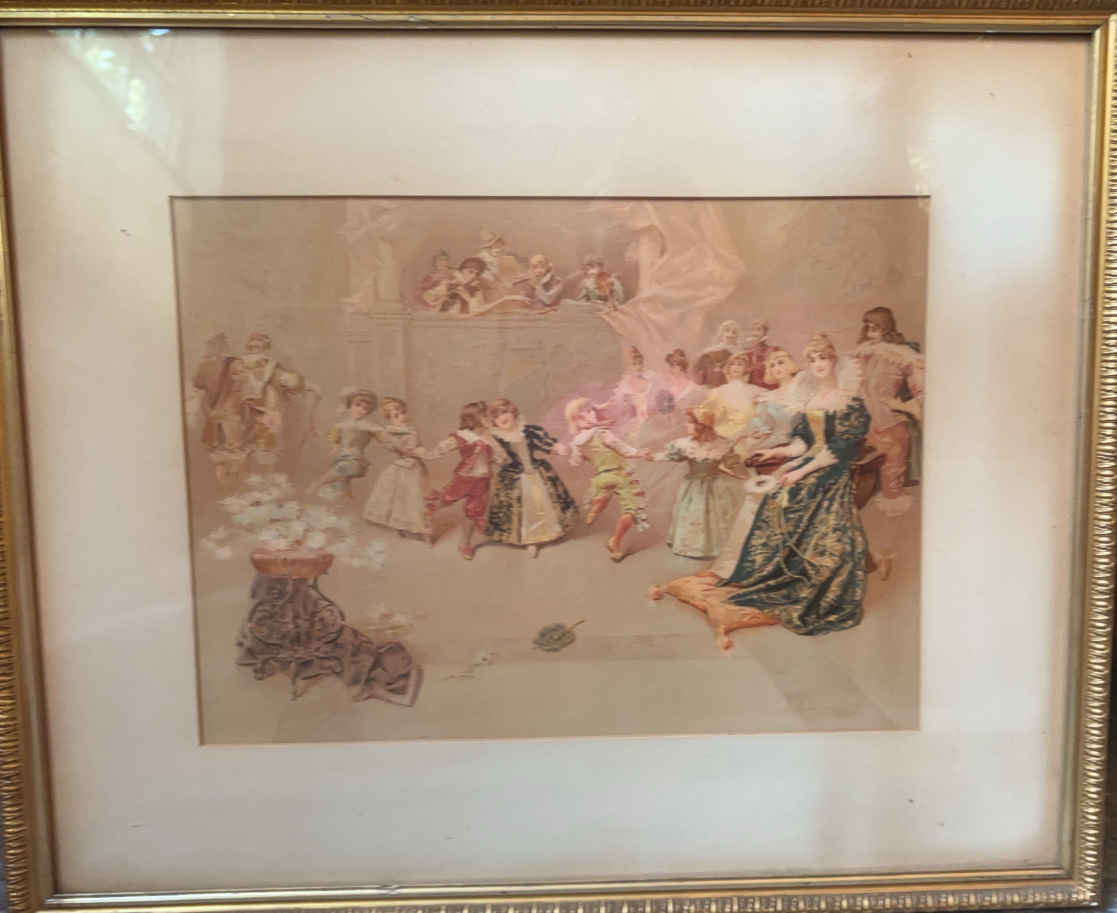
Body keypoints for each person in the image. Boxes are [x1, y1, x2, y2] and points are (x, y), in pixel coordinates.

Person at [717, 334, 871, 639]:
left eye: (823, 358)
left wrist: (801, 472)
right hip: (811, 460)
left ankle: (813, 580)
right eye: (812, 359)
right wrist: (775, 453)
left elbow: (840, 447)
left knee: (800, 495)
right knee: (777, 494)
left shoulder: (849, 400)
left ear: (834, 360)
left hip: (832, 468)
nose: (818, 364)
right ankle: (782, 573)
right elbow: (804, 443)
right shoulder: (809, 399)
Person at [854, 306, 924, 518]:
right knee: (864, 476)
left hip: (890, 424)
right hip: (865, 424)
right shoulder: (861, 354)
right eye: (868, 327)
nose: (871, 331)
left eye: (876, 327)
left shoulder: (901, 355)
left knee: (891, 478)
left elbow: (921, 389)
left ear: (886, 328)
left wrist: (903, 405)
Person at [485, 398, 578, 557]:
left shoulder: (528, 431)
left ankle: (551, 531)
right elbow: (496, 458)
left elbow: (544, 444)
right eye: (497, 416)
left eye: (505, 412)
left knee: (543, 502)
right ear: (493, 421)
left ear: (513, 413)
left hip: (536, 472)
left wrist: (558, 448)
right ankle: (531, 539)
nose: (502, 418)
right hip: (513, 478)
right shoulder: (496, 439)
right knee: (525, 507)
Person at [647, 409, 743, 559]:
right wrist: (652, 456)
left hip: (715, 485)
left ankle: (713, 546)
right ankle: (692, 545)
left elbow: (732, 463)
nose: (685, 425)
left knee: (715, 514)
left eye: (690, 422)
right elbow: (671, 455)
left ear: (701, 426)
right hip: (694, 485)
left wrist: (744, 473)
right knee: (693, 512)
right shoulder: (686, 444)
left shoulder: (721, 444)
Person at [565, 398, 649, 562]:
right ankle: (615, 541)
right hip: (619, 475)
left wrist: (582, 455)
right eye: (588, 412)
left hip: (602, 477)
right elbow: (621, 448)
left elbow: (575, 463)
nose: (593, 414)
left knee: (604, 492)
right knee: (631, 510)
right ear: (578, 419)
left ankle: (596, 506)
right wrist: (638, 453)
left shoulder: (577, 443)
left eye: (591, 410)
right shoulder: (602, 433)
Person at [412, 401, 498, 560]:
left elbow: (496, 457)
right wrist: (419, 452)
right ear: (472, 419)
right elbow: (436, 452)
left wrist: (501, 460)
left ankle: (465, 544)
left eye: (489, 415)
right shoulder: (461, 436)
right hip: (464, 478)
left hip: (482, 480)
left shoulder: (490, 436)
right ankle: (427, 513)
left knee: (474, 511)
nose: (490, 418)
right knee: (446, 499)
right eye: (485, 416)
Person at [238, 332, 317, 468]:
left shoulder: (272, 368)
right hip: (246, 414)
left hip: (268, 414)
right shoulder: (239, 366)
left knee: (267, 449)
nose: (254, 351)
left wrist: (301, 384)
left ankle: (266, 474)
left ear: (264, 349)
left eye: (258, 347)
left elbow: (290, 382)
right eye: (252, 347)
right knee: (247, 448)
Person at [363, 397, 432, 541]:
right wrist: (408, 449)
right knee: (400, 499)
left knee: (416, 498)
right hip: (402, 467)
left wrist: (422, 452)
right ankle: (401, 526)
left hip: (415, 466)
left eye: (401, 413)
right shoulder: (391, 433)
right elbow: (402, 449)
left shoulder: (410, 429)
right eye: (394, 415)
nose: (400, 417)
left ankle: (421, 529)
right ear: (389, 418)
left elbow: (417, 446)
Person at [190, 331, 249, 485]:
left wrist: (216, 411)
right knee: (222, 453)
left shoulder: (233, 363)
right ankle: (227, 486)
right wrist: (208, 412)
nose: (210, 348)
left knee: (229, 451)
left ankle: (233, 484)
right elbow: (200, 390)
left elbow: (240, 388)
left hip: (226, 414)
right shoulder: (206, 365)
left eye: (212, 345)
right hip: (216, 414)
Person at [308, 389, 380, 501]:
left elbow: (383, 436)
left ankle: (315, 486)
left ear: (368, 412)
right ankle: (347, 500)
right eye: (357, 405)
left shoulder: (368, 426)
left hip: (355, 459)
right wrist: (334, 445)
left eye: (365, 408)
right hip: (341, 457)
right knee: (343, 484)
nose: (360, 410)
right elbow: (333, 436)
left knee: (329, 477)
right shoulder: (341, 424)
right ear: (350, 405)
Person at [693, 320, 742, 387]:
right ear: (722, 333)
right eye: (727, 330)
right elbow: (699, 368)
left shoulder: (740, 353)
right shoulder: (710, 350)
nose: (730, 334)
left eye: (734, 332)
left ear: (737, 336)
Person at [740, 319, 778, 390]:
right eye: (753, 330)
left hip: (770, 388)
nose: (755, 333)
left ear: (765, 333)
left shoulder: (773, 349)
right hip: (751, 389)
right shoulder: (745, 352)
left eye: (758, 330)